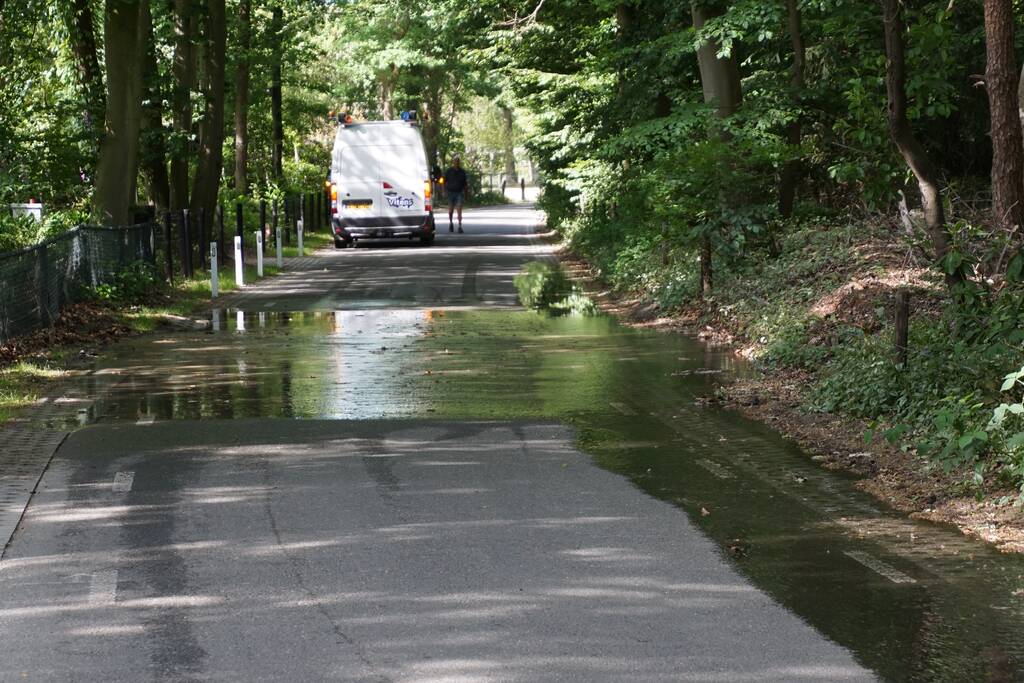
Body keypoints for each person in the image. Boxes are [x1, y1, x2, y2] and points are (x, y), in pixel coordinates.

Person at [443, 157, 468, 233]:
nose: (456, 163)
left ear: (459, 162)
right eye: (455, 161)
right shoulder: (449, 171)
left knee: (459, 209)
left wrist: (466, 194)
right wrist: (443, 191)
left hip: (459, 193)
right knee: (450, 210)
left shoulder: (462, 172)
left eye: (458, 161)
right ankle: (451, 223)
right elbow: (443, 181)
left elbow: (465, 184)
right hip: (450, 192)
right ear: (453, 162)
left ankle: (460, 226)